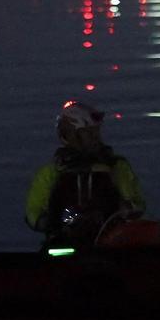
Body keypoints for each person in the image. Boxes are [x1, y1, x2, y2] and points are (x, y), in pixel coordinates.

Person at [25, 101, 146, 248]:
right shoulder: (51, 173)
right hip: (63, 245)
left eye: (96, 132)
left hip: (110, 244)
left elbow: (137, 203)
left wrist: (127, 209)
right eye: (88, 133)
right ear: (71, 135)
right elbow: (33, 213)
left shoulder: (117, 167)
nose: (96, 137)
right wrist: (54, 223)